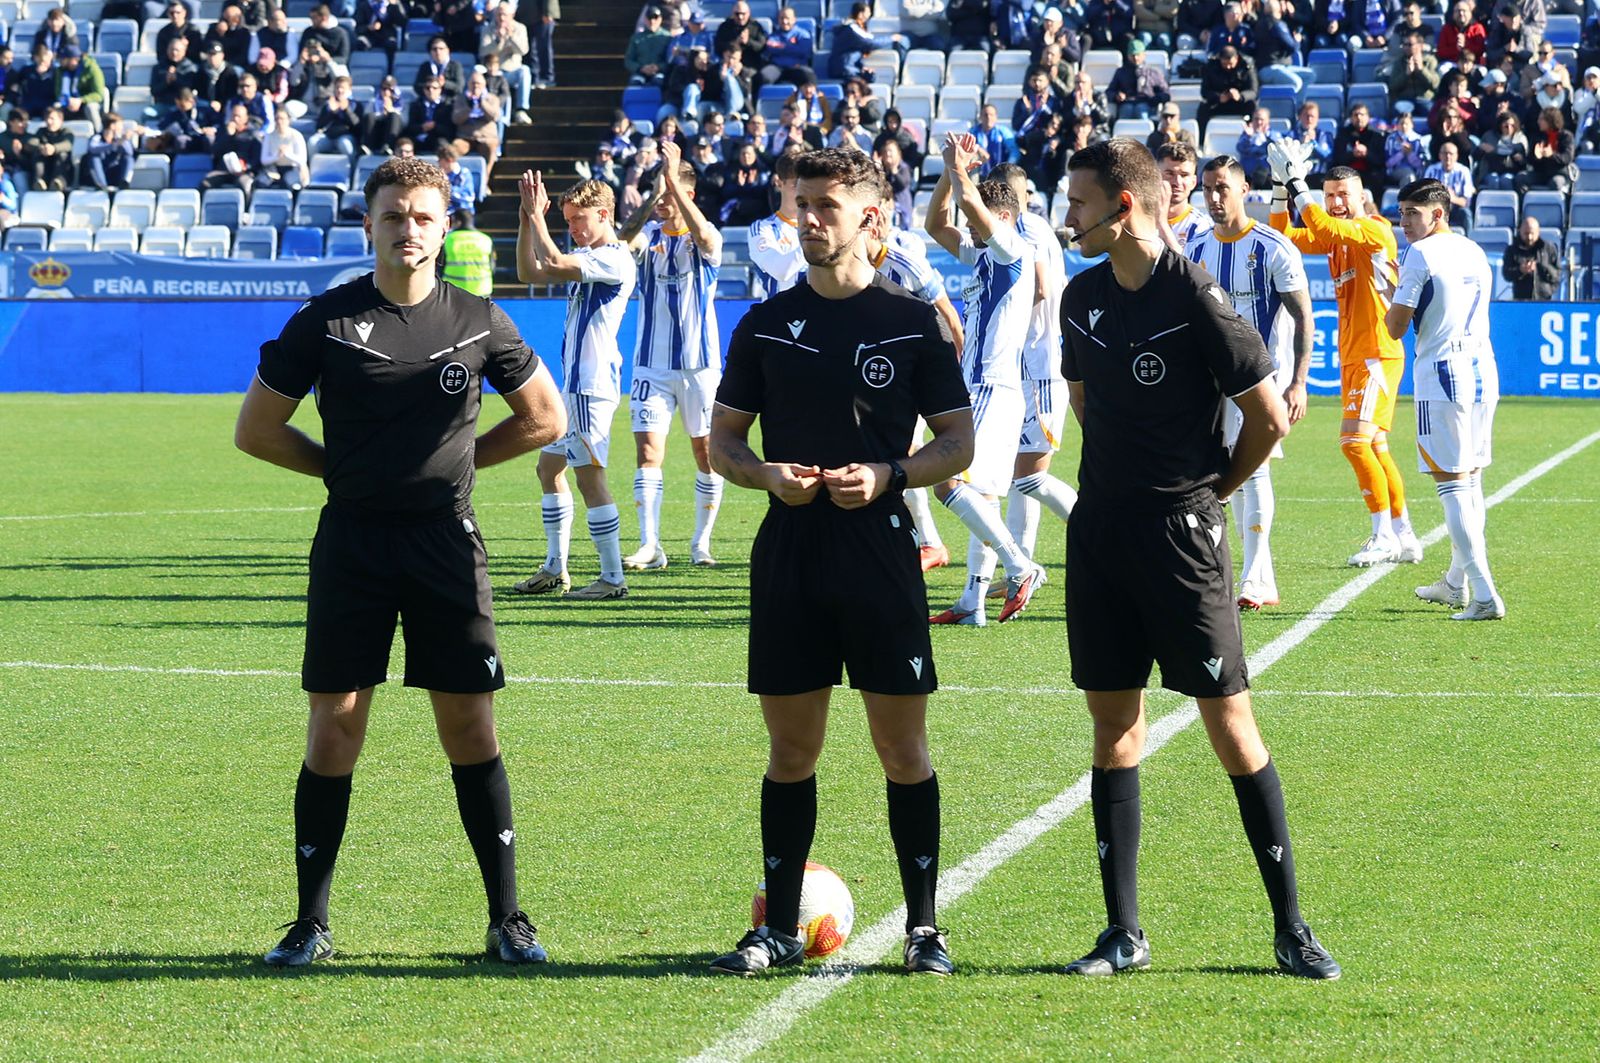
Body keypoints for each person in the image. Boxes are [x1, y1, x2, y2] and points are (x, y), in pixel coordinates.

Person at [236, 156, 565, 970]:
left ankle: (507, 918)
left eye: (422, 216)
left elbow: (544, 417)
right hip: (353, 543)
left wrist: (457, 466)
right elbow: (257, 429)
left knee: (468, 723)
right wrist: (344, 474)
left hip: (446, 544)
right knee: (335, 726)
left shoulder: (482, 319)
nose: (408, 229)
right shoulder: (328, 319)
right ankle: (309, 922)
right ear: (369, 226)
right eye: (393, 216)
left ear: (445, 226)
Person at [1056, 136, 1340, 982]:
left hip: (1182, 540)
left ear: (1125, 206)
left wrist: (1215, 487)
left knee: (1230, 724)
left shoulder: (1198, 298)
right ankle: (1123, 933)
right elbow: (1081, 399)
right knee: (1115, 730)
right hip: (1101, 536)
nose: (1067, 216)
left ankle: (1291, 927)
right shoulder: (1079, 296)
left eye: (1077, 203)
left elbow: (1268, 415)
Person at [705, 147, 973, 978]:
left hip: (880, 552)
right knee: (791, 753)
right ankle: (778, 927)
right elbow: (721, 444)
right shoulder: (763, 323)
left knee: (903, 750)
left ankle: (924, 929)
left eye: (827, 204)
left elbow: (957, 443)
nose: (810, 218)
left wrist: (892, 474)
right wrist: (763, 476)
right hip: (789, 553)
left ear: (872, 217)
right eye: (802, 204)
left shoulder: (913, 322)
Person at [1269, 140, 1421, 566]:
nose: (1335, 202)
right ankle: (1403, 532)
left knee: (1353, 443)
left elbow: (1327, 228)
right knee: (1375, 446)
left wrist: (1299, 185)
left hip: (1377, 350)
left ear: (1362, 198)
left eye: (1342, 195)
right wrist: (1282, 190)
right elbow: (1283, 237)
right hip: (1357, 353)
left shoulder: (1374, 228)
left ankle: (1381, 535)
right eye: (1329, 195)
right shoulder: (1334, 238)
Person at [923, 132, 1045, 626]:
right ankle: (973, 601)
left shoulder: (1013, 249)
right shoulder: (982, 256)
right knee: (984, 495)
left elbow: (972, 206)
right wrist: (946, 175)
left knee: (945, 482)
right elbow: (937, 223)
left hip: (992, 385)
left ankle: (1021, 565)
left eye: (982, 226)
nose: (971, 233)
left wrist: (961, 169)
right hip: (985, 387)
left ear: (1005, 220)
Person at [1187, 154, 1314, 610]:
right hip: (1207, 383)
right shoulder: (1196, 248)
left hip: (1259, 380)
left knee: (1253, 471)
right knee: (1217, 474)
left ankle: (1257, 578)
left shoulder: (1274, 246)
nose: (1215, 198)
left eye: (1223, 188)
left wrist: (1298, 383)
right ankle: (1232, 572)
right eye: (1208, 189)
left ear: (1244, 191)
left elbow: (1303, 319)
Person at [513, 176, 638, 600]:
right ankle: (554, 568)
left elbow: (550, 258)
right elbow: (529, 270)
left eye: (579, 220)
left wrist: (537, 217)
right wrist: (526, 221)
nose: (573, 229)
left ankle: (612, 578)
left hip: (591, 384)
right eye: (566, 221)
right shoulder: (589, 254)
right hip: (575, 386)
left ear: (605, 214)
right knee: (549, 469)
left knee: (589, 477)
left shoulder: (615, 258)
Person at [1385, 178, 1504, 620]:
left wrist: (1389, 293)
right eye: (1401, 214)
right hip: (1482, 370)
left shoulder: (1420, 254)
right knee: (1471, 483)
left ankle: (1485, 593)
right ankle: (1456, 582)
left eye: (1413, 214)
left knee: (1452, 485)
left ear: (1438, 214)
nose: (1404, 223)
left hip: (1442, 373)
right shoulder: (1473, 249)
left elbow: (1395, 327)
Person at [617, 140, 725, 571]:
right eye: (657, 197)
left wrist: (674, 185)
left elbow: (701, 234)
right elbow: (621, 239)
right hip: (652, 365)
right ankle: (650, 544)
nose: (661, 205)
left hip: (700, 366)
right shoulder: (648, 239)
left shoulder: (706, 237)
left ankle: (701, 543)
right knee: (648, 454)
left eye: (668, 196)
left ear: (688, 195)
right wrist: (655, 191)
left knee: (707, 454)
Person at [862, 179, 967, 571]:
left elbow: (950, 317)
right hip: (879, 378)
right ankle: (919, 540)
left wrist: (955, 373)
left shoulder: (905, 263)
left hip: (916, 375)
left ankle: (933, 543)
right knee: (891, 454)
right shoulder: (852, 265)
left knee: (910, 456)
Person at [990, 163, 1077, 572]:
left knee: (1028, 477)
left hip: (1037, 367)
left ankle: (1105, 534)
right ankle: (1018, 566)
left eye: (1018, 193)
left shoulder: (1026, 231)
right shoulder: (1026, 229)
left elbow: (1041, 288)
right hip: (1022, 369)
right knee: (1018, 477)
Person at [747, 148, 805, 298]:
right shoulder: (762, 229)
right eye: (795, 185)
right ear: (779, 183)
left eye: (806, 185)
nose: (802, 192)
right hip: (778, 319)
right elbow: (781, 271)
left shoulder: (823, 227)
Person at [1155, 140, 1211, 250]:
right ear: (1156, 177)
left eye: (1184, 175)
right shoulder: (1140, 218)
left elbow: (1188, 267)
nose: (1177, 182)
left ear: (1194, 182)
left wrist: (1162, 225)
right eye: (1170, 174)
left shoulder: (1202, 227)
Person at [480, 3, 531, 122]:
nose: (501, 18)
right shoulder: (488, 29)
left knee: (525, 71)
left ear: (512, 15)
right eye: (499, 14)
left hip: (513, 70)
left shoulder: (520, 28)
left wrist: (511, 37)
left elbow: (523, 50)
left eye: (505, 15)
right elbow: (483, 52)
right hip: (494, 71)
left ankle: (521, 110)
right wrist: (497, 41)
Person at [830, 1, 904, 82]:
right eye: (867, 12)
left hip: (843, 67)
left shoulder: (848, 28)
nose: (869, 14)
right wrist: (891, 38)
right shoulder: (852, 28)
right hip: (845, 69)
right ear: (860, 14)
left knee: (870, 76)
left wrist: (860, 67)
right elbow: (870, 43)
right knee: (870, 79)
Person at [1196, 45, 1257, 138]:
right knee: (1203, 107)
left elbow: (1253, 91)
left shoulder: (1247, 66)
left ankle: (1253, 136)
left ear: (1236, 58)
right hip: (1219, 103)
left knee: (1252, 106)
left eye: (1231, 64)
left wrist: (1240, 96)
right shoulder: (1211, 67)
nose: (1228, 67)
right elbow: (1204, 91)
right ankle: (1202, 138)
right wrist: (1218, 97)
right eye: (1224, 64)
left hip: (1239, 104)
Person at [1330, 102, 1388, 193]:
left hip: (1370, 174)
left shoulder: (1377, 135)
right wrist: (1353, 154)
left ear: (1368, 117)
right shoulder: (1342, 134)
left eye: (1362, 114)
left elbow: (1380, 161)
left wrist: (1366, 153)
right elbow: (1337, 159)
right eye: (1356, 115)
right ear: (1351, 118)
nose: (1359, 117)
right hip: (1347, 174)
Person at [1107, 39, 1169, 120]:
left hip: (1147, 104)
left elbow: (1165, 93)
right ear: (1128, 56)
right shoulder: (1121, 72)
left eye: (1138, 55)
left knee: (1141, 110)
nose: (1135, 58)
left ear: (1144, 55)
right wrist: (1116, 96)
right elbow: (1109, 92)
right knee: (1127, 110)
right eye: (1132, 55)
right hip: (1127, 103)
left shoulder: (1154, 72)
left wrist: (1154, 99)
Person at [1501, 214, 1559, 299]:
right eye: (1526, 233)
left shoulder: (1549, 249)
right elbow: (1506, 274)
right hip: (1521, 300)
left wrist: (1541, 266)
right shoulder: (1512, 250)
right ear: (1520, 231)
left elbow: (1557, 275)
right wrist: (1520, 270)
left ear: (1538, 232)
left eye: (1532, 233)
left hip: (1544, 300)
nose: (1529, 237)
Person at [1421, 141, 1473, 231]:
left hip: (1456, 208)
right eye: (1445, 153)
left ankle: (1469, 240)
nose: (1448, 157)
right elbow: (1423, 195)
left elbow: (1467, 202)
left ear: (1456, 156)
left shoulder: (1464, 171)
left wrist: (1452, 198)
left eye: (1451, 154)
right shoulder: (1431, 170)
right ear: (1440, 155)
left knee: (1466, 213)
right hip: (1435, 207)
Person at [451, 70, 501, 162]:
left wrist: (482, 102)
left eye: (478, 83)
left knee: (491, 148)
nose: (475, 86)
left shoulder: (493, 98)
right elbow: (456, 119)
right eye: (473, 83)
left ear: (484, 85)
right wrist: (469, 107)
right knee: (454, 149)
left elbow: (494, 116)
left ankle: (486, 176)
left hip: (486, 137)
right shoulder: (461, 99)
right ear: (468, 84)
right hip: (465, 137)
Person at [442, 207, 495, 294]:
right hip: (482, 291)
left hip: (454, 292)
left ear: (457, 222)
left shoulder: (448, 239)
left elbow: (440, 266)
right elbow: (492, 267)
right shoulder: (486, 240)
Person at [760, 5, 815, 87]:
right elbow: (770, 47)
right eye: (781, 18)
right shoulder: (774, 35)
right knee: (762, 76)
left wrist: (782, 47)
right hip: (777, 68)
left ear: (794, 20)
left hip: (797, 67)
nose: (784, 21)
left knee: (809, 77)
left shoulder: (803, 34)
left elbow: (804, 51)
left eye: (787, 18)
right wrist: (792, 47)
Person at [82, 112, 138, 190]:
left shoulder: (120, 139)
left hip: (115, 172)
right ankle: (101, 185)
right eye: (120, 125)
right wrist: (113, 145)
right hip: (101, 171)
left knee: (128, 158)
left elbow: (129, 153)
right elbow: (92, 148)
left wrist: (123, 140)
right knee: (94, 158)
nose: (122, 127)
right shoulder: (97, 137)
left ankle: (124, 183)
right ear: (112, 126)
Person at [259, 105, 309, 189]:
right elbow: (264, 160)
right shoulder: (269, 136)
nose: (279, 122)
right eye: (277, 119)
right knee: (261, 182)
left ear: (288, 120)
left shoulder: (296, 136)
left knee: (288, 184)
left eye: (282, 119)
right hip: (275, 167)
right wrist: (277, 156)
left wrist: (287, 154)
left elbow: (302, 160)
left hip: (292, 168)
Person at [26, 105, 74, 191]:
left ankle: (58, 183)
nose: (49, 121)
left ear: (60, 120)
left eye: (52, 119)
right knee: (38, 155)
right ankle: (39, 182)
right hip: (45, 167)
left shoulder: (66, 132)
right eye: (47, 118)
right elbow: (31, 143)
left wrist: (54, 148)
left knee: (63, 155)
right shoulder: (41, 131)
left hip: (61, 170)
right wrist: (42, 148)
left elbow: (68, 144)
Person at [405, 75, 456, 152]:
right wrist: (422, 127)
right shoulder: (416, 105)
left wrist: (434, 126)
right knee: (404, 144)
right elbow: (410, 127)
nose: (431, 90)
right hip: (419, 136)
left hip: (437, 137)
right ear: (424, 90)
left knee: (443, 145)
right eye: (427, 88)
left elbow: (449, 129)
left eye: (434, 88)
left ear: (440, 90)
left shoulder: (447, 105)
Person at [625, 6, 672, 86]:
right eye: (649, 18)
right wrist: (641, 68)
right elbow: (628, 60)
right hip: (640, 72)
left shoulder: (667, 37)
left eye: (655, 18)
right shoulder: (636, 38)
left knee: (659, 81)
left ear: (660, 19)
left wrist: (658, 67)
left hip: (659, 73)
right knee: (635, 82)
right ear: (645, 19)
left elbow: (670, 60)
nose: (652, 21)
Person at [1234, 106, 1273, 189]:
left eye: (1261, 119)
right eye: (1256, 119)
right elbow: (1240, 148)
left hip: (1267, 178)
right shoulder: (1247, 135)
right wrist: (1249, 138)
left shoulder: (1273, 135)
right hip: (1247, 178)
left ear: (1268, 121)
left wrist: (1263, 138)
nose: (1259, 122)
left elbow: (1272, 148)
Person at [438, 142, 477, 215]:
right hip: (446, 213)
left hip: (463, 212)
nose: (438, 163)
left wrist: (447, 185)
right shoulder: (440, 175)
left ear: (449, 160)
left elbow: (468, 197)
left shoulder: (464, 174)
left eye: (440, 160)